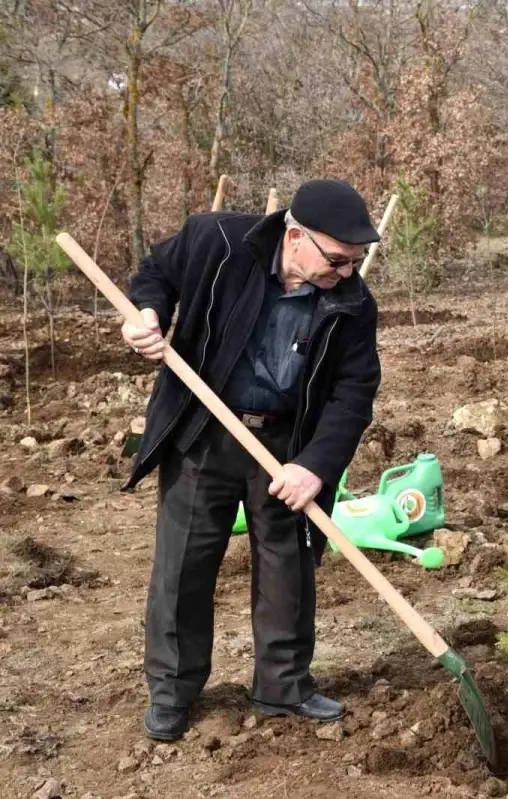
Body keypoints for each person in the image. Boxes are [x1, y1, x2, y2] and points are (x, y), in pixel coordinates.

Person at [121, 178, 383, 741]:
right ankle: (172, 691)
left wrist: (314, 466)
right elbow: (156, 276)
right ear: (295, 237)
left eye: (356, 262)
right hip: (205, 431)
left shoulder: (352, 303)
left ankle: (283, 686)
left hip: (286, 444)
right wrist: (144, 315)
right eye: (338, 260)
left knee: (288, 568)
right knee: (183, 567)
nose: (347, 272)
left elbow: (354, 392)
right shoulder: (216, 241)